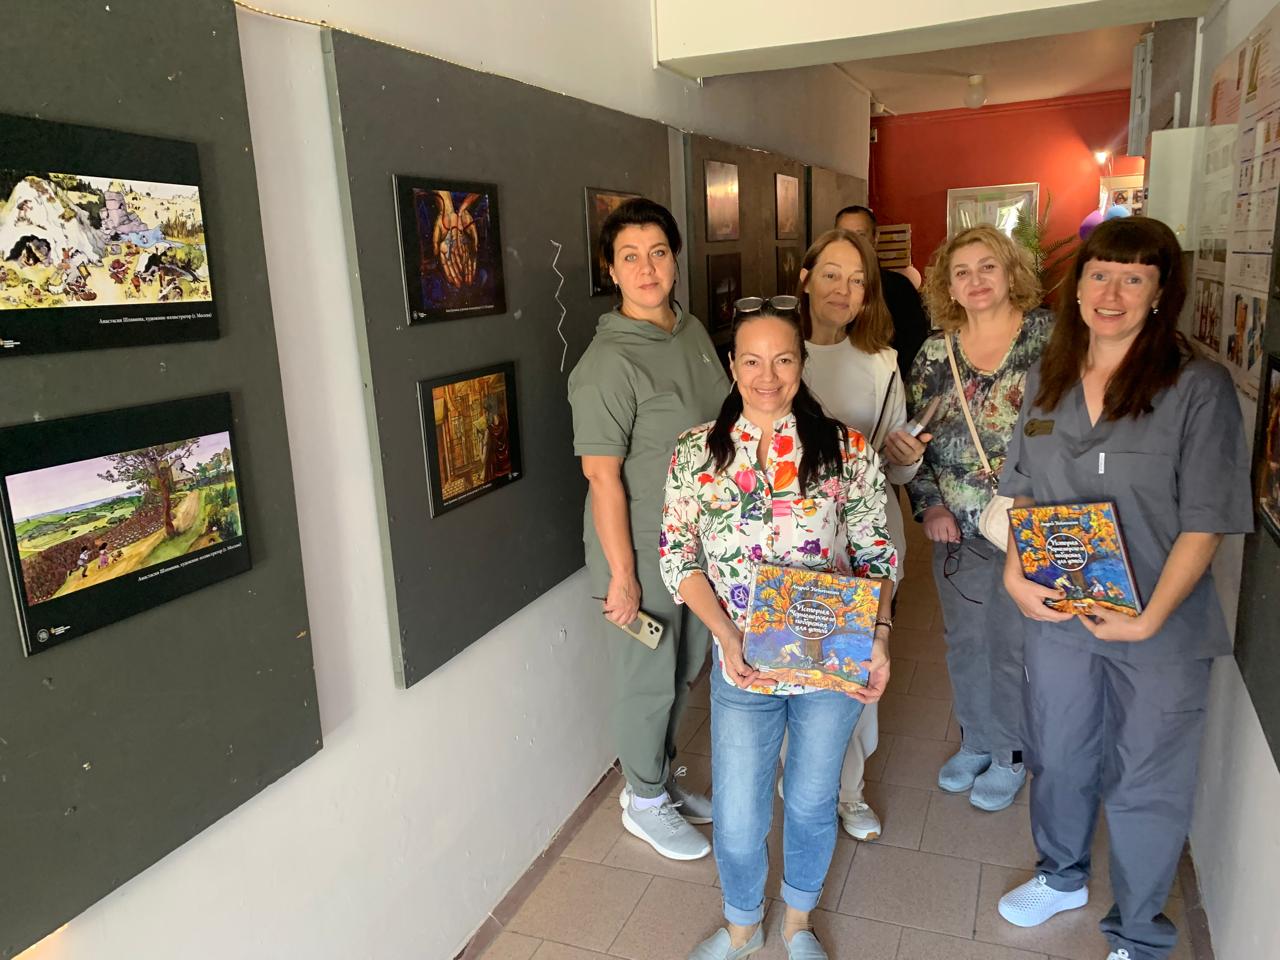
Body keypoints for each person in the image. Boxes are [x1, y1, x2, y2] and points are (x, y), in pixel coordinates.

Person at [996, 217, 1252, 960]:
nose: (1112, 293)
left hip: (1158, 628)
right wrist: (1014, 570)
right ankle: (1062, 874)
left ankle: (1139, 934)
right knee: (1058, 752)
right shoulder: (1048, 380)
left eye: (1134, 278)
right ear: (1076, 288)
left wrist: (1148, 618)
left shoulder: (1195, 387)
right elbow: (1022, 491)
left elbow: (1206, 521)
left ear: (1160, 292)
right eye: (1100, 274)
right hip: (1059, 615)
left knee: (1147, 776)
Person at [660, 298, 896, 960]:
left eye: (784, 359)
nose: (768, 376)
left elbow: (877, 556)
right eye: (753, 360)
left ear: (801, 363)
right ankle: (742, 926)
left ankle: (797, 923)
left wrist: (879, 637)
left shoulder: (845, 450)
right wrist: (725, 634)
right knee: (739, 815)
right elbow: (679, 559)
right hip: (743, 665)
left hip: (829, 662)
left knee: (813, 803)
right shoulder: (696, 454)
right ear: (732, 365)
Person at [567, 198, 729, 862]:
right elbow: (601, 478)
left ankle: (658, 780)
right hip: (637, 550)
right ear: (610, 270)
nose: (646, 268)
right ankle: (641, 799)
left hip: (696, 543)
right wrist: (624, 578)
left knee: (686, 665)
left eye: (658, 252)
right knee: (648, 677)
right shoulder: (607, 363)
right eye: (629, 257)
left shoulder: (689, 332)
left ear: (675, 258)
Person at [784, 227, 929, 842]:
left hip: (863, 539)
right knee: (793, 658)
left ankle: (848, 792)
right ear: (805, 279)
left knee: (855, 665)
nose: (843, 290)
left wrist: (906, 458)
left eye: (857, 281)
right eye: (831, 274)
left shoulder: (881, 363)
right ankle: (799, 782)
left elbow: (897, 470)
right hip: (793, 540)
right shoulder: (776, 351)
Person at [906, 224, 1052, 812]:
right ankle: (976, 741)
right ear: (948, 286)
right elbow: (914, 440)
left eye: (987, 266)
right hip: (959, 528)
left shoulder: (1051, 340)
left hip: (1032, 522)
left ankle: (1011, 753)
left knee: (1015, 642)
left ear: (1011, 271)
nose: (976, 280)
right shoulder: (933, 354)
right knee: (966, 640)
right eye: (961, 272)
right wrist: (930, 505)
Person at [834, 205, 931, 377]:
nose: (852, 243)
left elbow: (915, 347)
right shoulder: (825, 289)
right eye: (844, 235)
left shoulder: (900, 288)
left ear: (875, 238)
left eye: (860, 235)